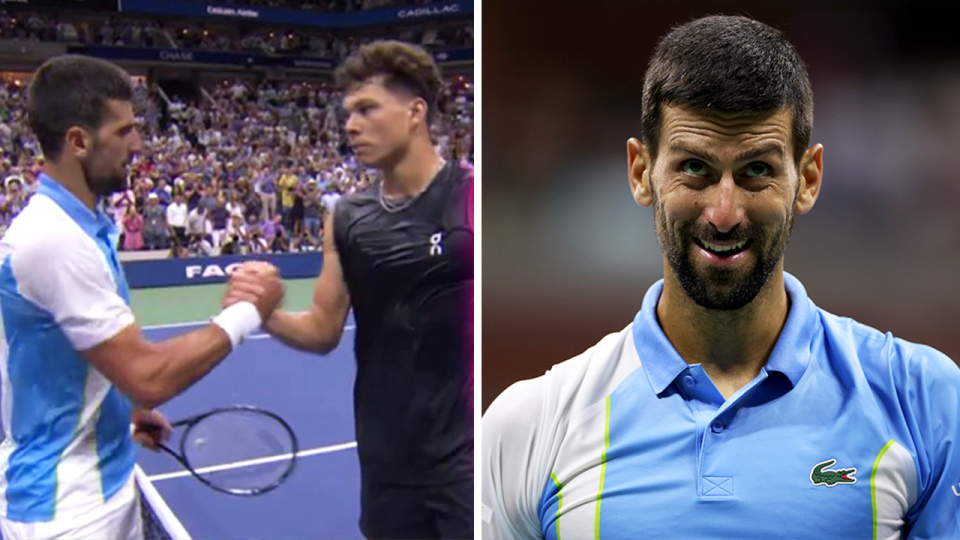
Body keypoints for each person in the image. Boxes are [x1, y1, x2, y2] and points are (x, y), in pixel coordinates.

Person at [480, 14, 960, 540]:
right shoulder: (531, 425)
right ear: (642, 173)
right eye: (695, 168)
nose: (725, 212)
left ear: (808, 178)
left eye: (757, 170)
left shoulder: (924, 402)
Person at [0, 55, 284, 540]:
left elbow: (67, 363)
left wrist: (122, 414)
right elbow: (148, 375)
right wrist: (246, 311)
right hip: (67, 515)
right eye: (124, 131)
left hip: (99, 488)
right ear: (78, 141)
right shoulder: (54, 238)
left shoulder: (78, 228)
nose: (137, 144)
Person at [225, 40, 474, 540]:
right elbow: (321, 330)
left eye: (367, 109)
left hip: (471, 457)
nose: (351, 126)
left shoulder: (474, 197)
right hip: (386, 465)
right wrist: (266, 311)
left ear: (415, 112)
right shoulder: (346, 217)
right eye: (347, 114)